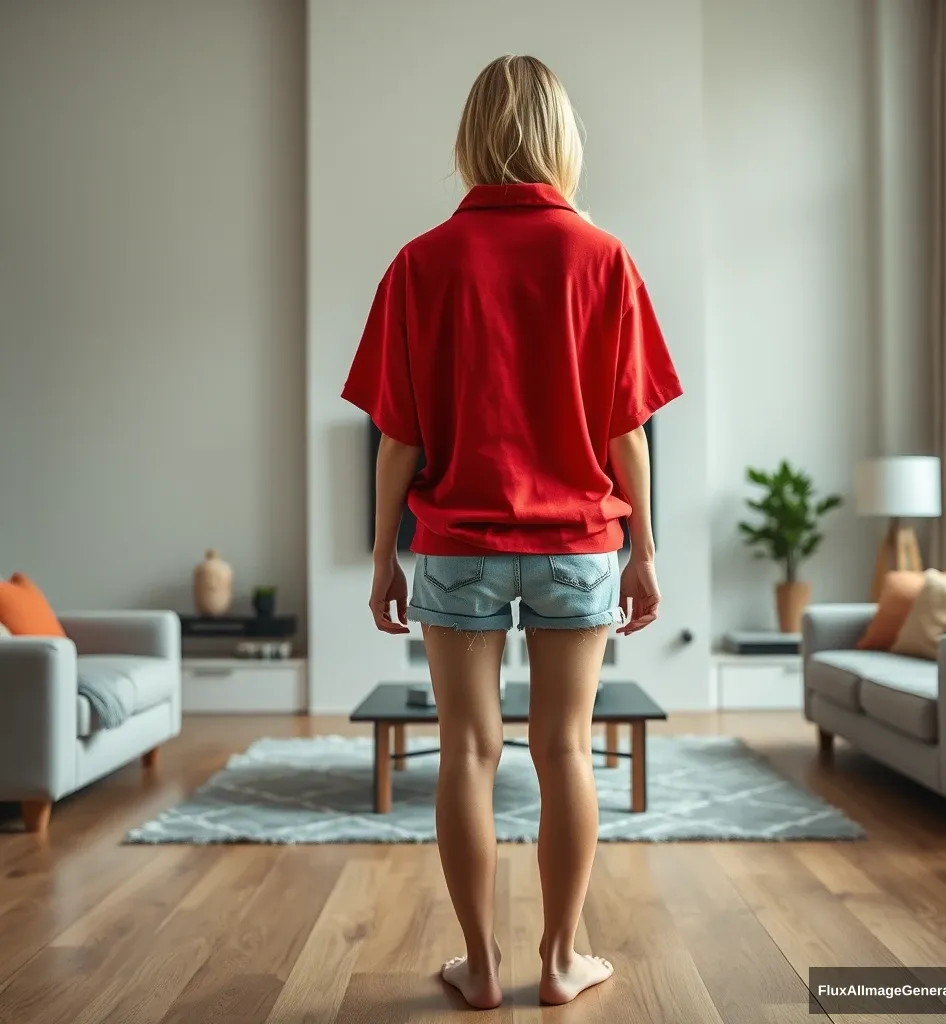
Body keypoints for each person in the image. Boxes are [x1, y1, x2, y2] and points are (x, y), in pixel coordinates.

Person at [341, 54, 682, 1010]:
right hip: (578, 543)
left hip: (457, 546)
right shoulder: (604, 258)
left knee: (466, 751)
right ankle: (560, 961)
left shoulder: (420, 263)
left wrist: (384, 559)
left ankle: (481, 966)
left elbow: (396, 441)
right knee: (565, 748)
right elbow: (628, 434)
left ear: (472, 141)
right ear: (562, 140)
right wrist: (645, 555)